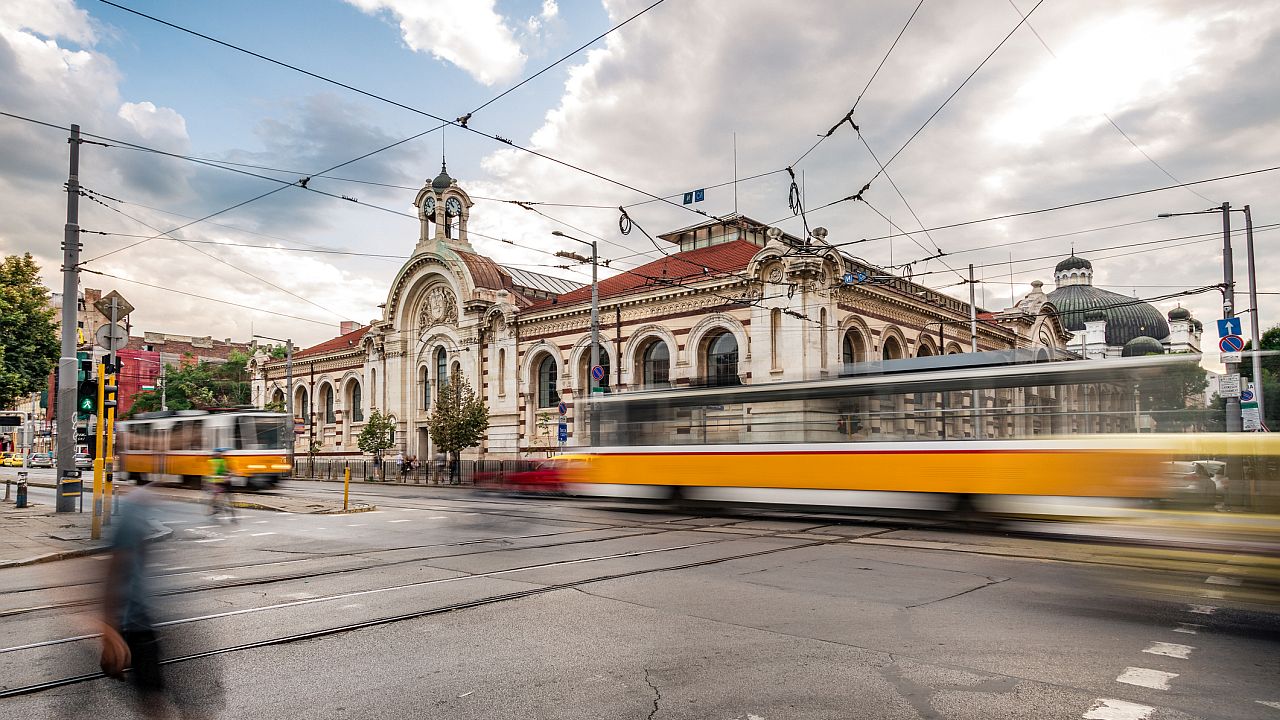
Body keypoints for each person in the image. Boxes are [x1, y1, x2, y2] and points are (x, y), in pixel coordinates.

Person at [206, 448, 237, 523]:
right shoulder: (214, 461)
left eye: (220, 454)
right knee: (219, 495)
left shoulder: (223, 461)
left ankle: (230, 514)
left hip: (223, 481)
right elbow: (211, 472)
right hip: (219, 481)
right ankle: (216, 507)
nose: (219, 455)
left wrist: (230, 474)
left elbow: (230, 470)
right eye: (218, 454)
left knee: (229, 498)